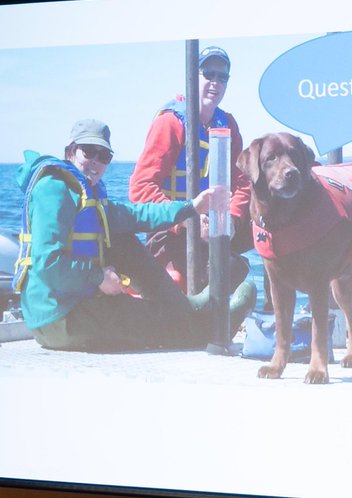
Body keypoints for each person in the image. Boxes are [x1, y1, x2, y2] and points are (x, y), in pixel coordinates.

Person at [13, 118, 254, 352]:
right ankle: (209, 328)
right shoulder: (53, 189)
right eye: (88, 152)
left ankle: (184, 308)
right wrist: (98, 278)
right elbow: (48, 263)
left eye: (104, 156)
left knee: (122, 238)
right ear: (71, 152)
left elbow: (137, 214)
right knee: (157, 323)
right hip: (57, 318)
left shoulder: (88, 194)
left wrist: (191, 207)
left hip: (74, 306)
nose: (96, 162)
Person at [128, 45, 253, 290]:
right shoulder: (170, 123)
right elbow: (140, 189)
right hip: (171, 231)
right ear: (193, 78)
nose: (215, 82)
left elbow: (242, 181)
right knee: (223, 270)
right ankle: (197, 321)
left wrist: (233, 219)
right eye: (208, 74)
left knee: (271, 229)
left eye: (222, 76)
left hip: (215, 225)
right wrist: (187, 219)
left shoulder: (228, 124)